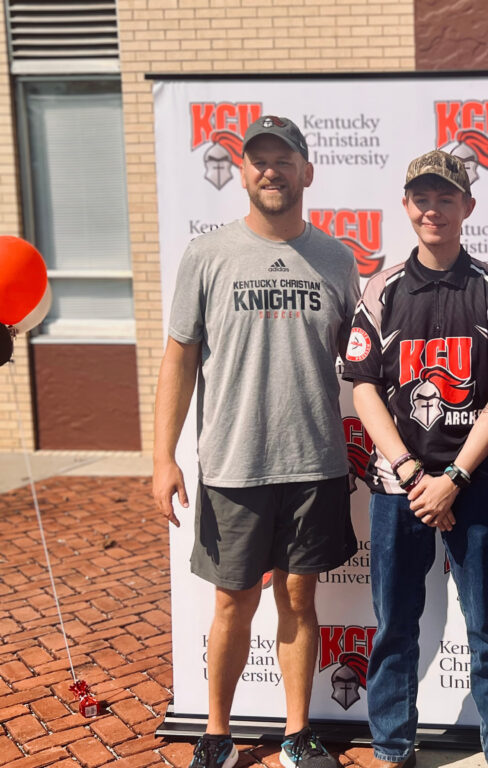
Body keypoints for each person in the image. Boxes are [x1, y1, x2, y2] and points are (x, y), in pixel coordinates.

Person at [152, 115, 360, 768]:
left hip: (315, 461)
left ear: (308, 172)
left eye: (284, 160)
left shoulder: (337, 257)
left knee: (299, 597)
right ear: (242, 172)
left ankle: (299, 733)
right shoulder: (207, 254)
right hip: (233, 464)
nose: (271, 170)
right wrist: (161, 457)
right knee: (231, 601)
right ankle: (217, 733)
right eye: (259, 160)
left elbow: (359, 362)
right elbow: (179, 358)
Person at [343, 150, 488, 768]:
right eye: (422, 198)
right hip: (399, 488)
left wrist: (452, 477)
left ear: (467, 208)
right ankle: (392, 748)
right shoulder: (381, 287)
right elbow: (363, 385)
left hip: (470, 486)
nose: (432, 209)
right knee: (395, 627)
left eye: (446, 198)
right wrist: (411, 473)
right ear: (406, 206)